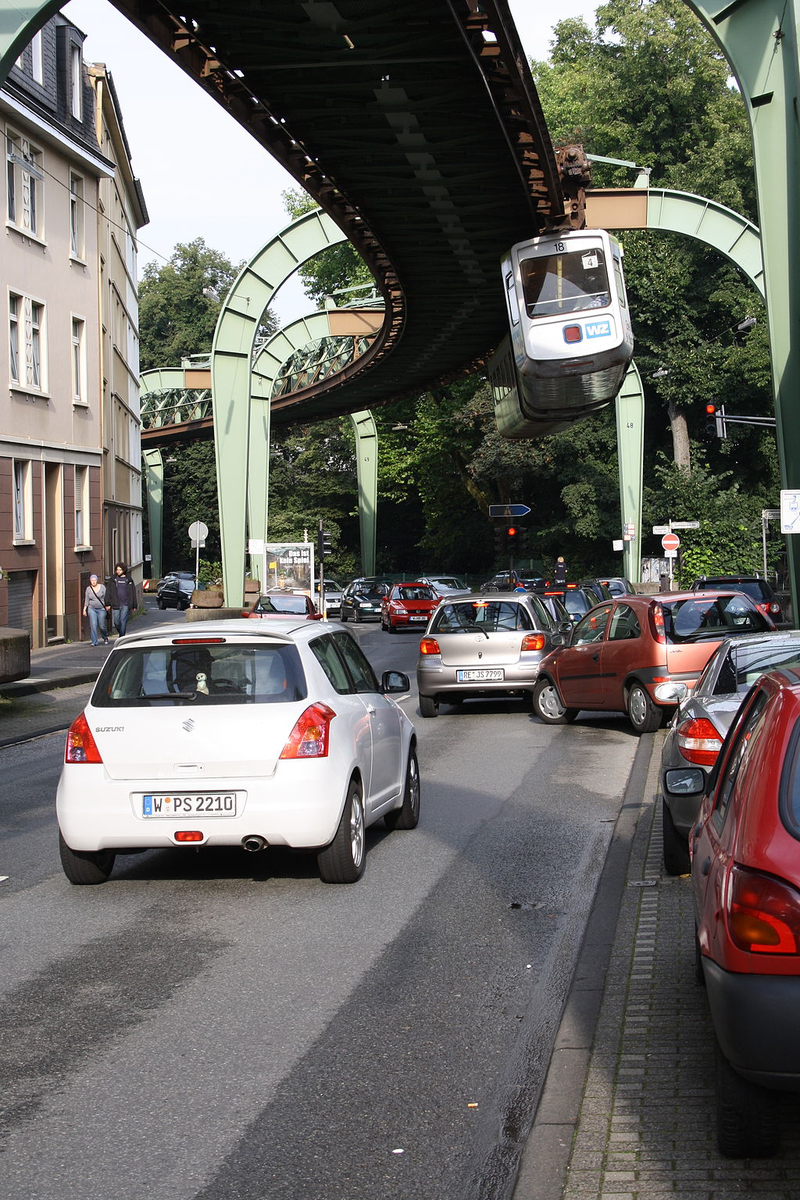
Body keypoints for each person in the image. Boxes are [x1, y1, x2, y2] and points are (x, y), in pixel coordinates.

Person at [107, 562, 137, 637]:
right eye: (117, 570)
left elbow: (133, 593)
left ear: (123, 570)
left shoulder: (128, 580)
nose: (118, 571)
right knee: (116, 622)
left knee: (123, 621)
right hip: (116, 603)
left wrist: (134, 605)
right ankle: (121, 633)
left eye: (120, 570)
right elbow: (108, 592)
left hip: (126, 604)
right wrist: (107, 603)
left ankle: (121, 637)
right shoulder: (113, 580)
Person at [82, 574, 109, 646]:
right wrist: (84, 609)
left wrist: (108, 605)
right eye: (92, 580)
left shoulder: (102, 587)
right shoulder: (88, 589)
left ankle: (105, 636)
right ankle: (94, 641)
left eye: (94, 580)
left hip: (101, 609)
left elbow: (107, 597)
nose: (93, 582)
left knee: (101, 625)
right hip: (92, 608)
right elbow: (86, 600)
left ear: (97, 580)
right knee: (93, 625)